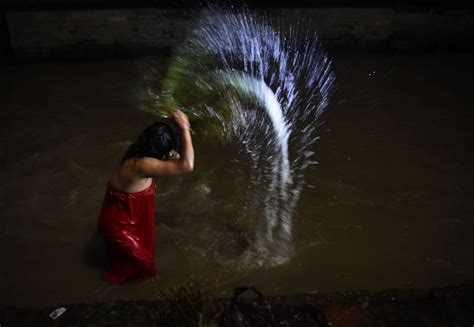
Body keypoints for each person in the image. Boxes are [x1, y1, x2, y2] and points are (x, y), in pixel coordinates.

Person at [97, 109, 194, 284]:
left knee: (131, 265)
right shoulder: (143, 165)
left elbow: (178, 158)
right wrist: (185, 128)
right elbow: (187, 165)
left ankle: (125, 287)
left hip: (131, 216)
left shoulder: (138, 152)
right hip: (119, 224)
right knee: (145, 266)